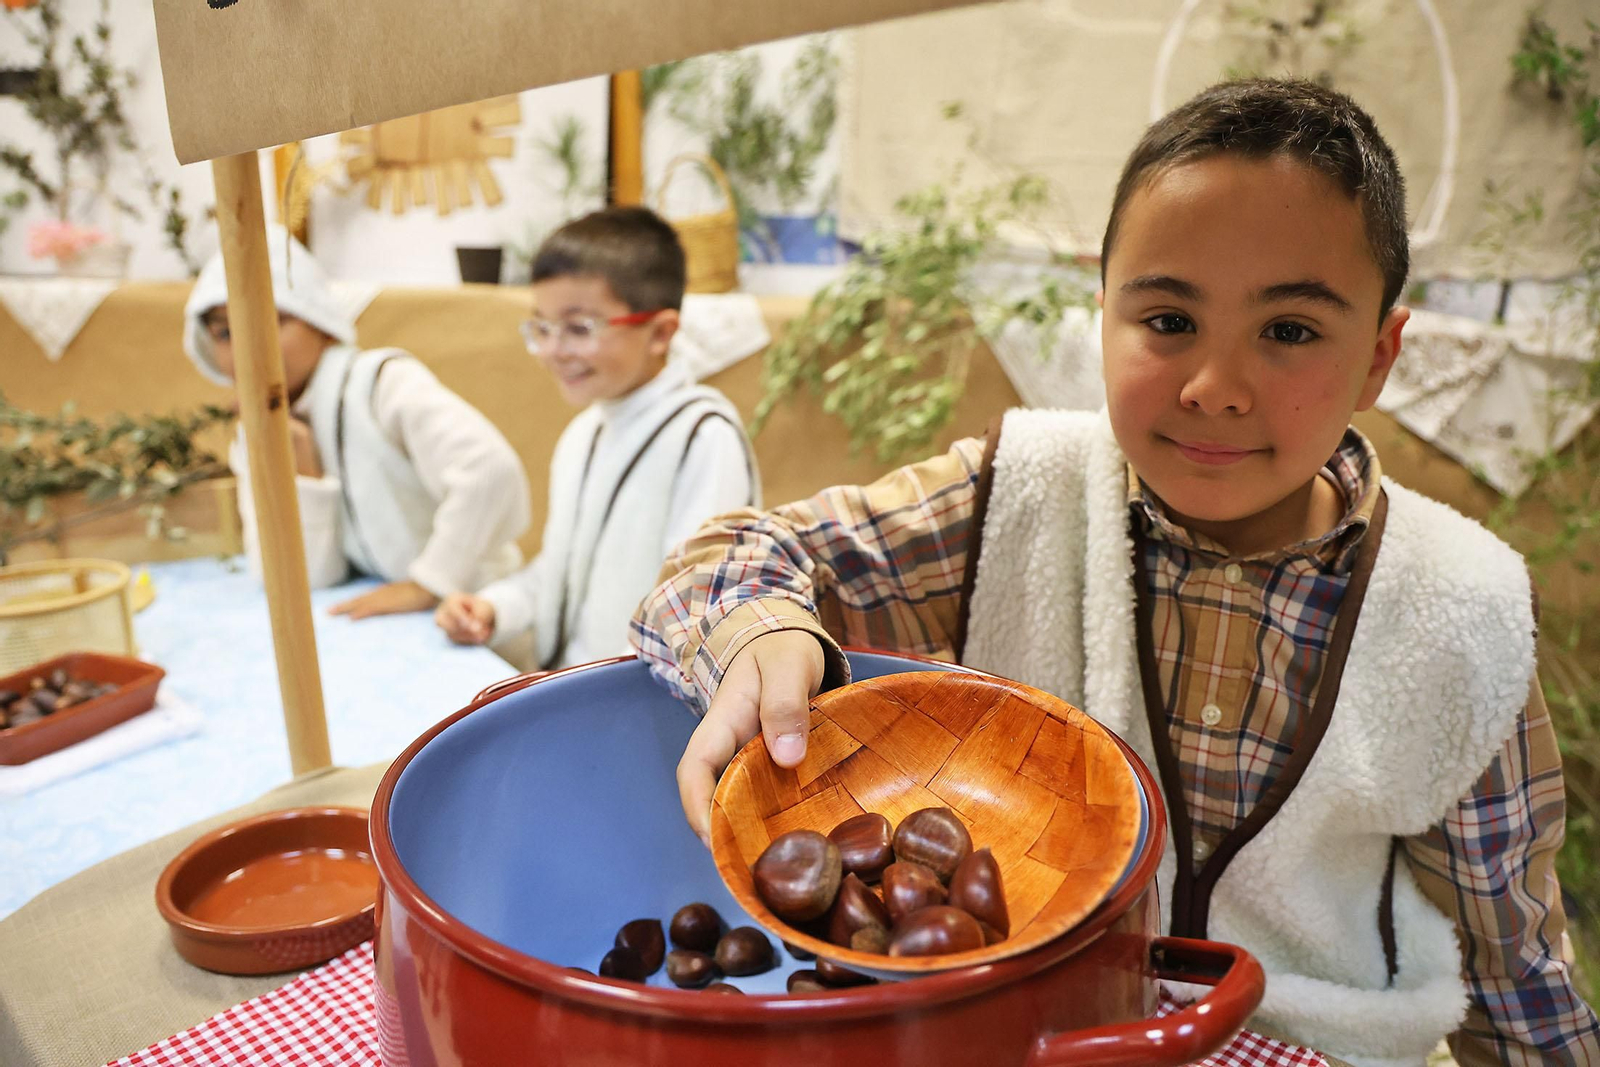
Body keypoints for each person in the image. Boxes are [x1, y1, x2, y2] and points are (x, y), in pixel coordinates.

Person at [631, 80, 1600, 1067]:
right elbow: (722, 557)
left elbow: (1513, 977)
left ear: (1378, 360)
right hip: (1046, 1032)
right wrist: (759, 628)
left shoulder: (1463, 610)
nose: (1213, 387)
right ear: (1100, 316)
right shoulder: (1016, 495)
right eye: (1168, 320)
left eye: (1291, 331)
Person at [435, 206, 758, 670]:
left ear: (661, 332)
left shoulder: (703, 437)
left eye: (579, 328)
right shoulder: (584, 433)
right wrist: (494, 607)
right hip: (571, 684)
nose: (552, 350)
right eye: (542, 327)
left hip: (641, 705)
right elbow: (562, 572)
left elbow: (697, 610)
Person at [183, 226, 531, 619]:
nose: (248, 346)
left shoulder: (381, 384)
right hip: (395, 621)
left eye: (273, 322)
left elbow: (489, 472)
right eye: (225, 332)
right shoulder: (259, 427)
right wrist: (303, 469)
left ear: (321, 323)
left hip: (478, 613)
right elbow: (304, 578)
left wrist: (429, 582)